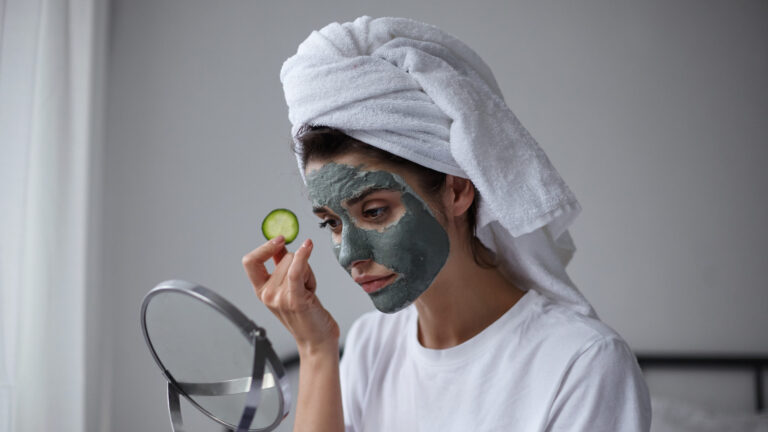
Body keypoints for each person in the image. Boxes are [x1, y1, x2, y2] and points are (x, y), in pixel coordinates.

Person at [242, 16, 651, 432]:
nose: (349, 255)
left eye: (375, 211)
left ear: (457, 191)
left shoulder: (581, 364)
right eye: (331, 223)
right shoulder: (369, 348)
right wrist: (315, 350)